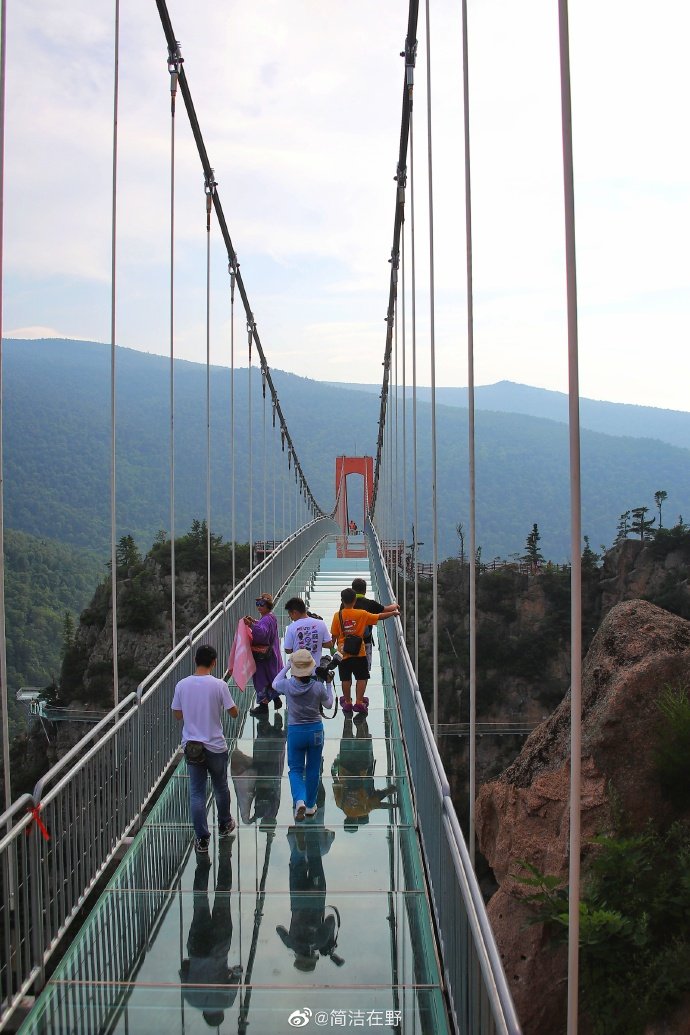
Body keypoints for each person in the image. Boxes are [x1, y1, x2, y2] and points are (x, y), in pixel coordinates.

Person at [172, 644, 239, 854]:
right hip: (216, 746)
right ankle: (225, 824)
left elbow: (177, 714)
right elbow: (234, 713)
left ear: (195, 660)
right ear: (214, 662)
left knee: (197, 793)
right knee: (220, 787)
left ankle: (201, 839)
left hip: (193, 748)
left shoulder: (182, 685)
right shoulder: (219, 685)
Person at [180, 844, 243, 1027]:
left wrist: (231, 972)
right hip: (197, 947)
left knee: (223, 894)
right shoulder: (191, 999)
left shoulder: (226, 1002)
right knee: (200, 900)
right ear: (205, 1016)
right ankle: (203, 863)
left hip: (219, 945)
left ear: (220, 1014)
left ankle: (225, 856)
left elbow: (237, 974)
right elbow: (184, 968)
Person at [272, 648, 333, 821]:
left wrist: (286, 667)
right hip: (315, 730)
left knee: (296, 770)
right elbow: (328, 705)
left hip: (295, 731)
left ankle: (300, 800)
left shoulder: (287, 685)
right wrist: (328, 684)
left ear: (295, 668)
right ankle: (311, 806)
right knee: (313, 769)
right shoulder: (318, 687)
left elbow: (274, 683)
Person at [276, 824, 342, 971]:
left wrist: (328, 941)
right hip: (297, 900)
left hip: (316, 898)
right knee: (296, 865)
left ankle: (311, 831)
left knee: (315, 861)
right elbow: (279, 929)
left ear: (312, 957)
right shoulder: (291, 943)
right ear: (297, 957)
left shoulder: (319, 942)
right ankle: (299, 849)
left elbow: (331, 919)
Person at [330, 588, 397, 716]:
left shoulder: (337, 615)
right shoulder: (361, 614)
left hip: (343, 652)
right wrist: (393, 613)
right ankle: (359, 702)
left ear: (342, 600)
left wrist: (332, 649)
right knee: (362, 677)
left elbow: (334, 636)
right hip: (359, 652)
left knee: (345, 678)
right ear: (354, 600)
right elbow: (379, 616)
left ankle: (348, 702)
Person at [332, 714, 396, 830]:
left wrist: (392, 800)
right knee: (347, 737)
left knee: (361, 746)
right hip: (345, 768)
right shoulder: (339, 804)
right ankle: (348, 716)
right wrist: (335, 767)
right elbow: (336, 782)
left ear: (356, 822)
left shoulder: (364, 810)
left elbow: (376, 802)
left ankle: (359, 725)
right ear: (345, 820)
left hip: (361, 771)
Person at [244, 592, 281, 717]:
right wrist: (254, 621)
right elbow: (264, 627)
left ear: (268, 606)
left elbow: (262, 633)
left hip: (263, 656)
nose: (259, 606)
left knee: (261, 679)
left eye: (261, 604)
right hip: (272, 653)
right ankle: (276, 699)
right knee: (271, 676)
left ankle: (263, 706)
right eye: (257, 604)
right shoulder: (271, 617)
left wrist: (251, 625)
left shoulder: (265, 619)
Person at [351, 577, 399, 672]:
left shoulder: (346, 604)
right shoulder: (370, 604)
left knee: (349, 672)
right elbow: (385, 609)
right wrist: (395, 606)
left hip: (349, 640)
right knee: (364, 671)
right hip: (365, 640)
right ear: (365, 590)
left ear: (352, 590)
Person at [283, 596, 333, 664]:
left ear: (294, 612)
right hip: (316, 669)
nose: (291, 618)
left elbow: (288, 650)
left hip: (298, 670)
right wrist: (315, 642)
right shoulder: (321, 624)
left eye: (290, 615)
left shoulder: (291, 627)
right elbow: (329, 644)